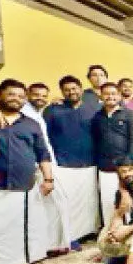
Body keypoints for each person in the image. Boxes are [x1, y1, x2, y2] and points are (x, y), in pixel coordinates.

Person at [0, 79, 54, 264]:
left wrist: (48, 179)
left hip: (23, 186)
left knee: (20, 229)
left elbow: (42, 153)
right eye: (11, 94)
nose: (16, 99)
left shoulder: (31, 124)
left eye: (20, 96)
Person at [43, 75, 101, 241]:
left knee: (88, 203)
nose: (71, 92)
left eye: (74, 88)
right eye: (67, 90)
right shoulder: (52, 110)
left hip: (89, 163)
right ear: (62, 92)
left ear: (81, 89)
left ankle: (89, 232)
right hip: (64, 165)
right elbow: (45, 137)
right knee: (67, 204)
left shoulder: (93, 109)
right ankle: (70, 236)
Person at [22, 82, 72, 253]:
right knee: (54, 203)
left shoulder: (38, 112)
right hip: (37, 166)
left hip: (47, 163)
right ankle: (56, 244)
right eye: (36, 95)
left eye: (44, 96)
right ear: (27, 94)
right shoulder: (23, 113)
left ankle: (58, 243)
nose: (40, 98)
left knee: (55, 203)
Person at [93, 82, 133, 228]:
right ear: (101, 96)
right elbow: (96, 141)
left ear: (119, 96)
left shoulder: (130, 115)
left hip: (126, 169)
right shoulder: (97, 117)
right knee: (108, 203)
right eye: (106, 94)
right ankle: (112, 231)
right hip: (105, 168)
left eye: (113, 93)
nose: (110, 97)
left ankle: (127, 232)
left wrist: (129, 167)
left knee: (127, 203)